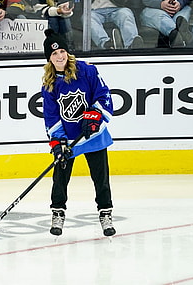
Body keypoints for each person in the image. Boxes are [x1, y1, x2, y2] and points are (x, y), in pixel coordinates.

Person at [41, 29, 116, 237]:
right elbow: (52, 116)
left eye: (62, 51)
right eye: (54, 54)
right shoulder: (49, 84)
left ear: (67, 52)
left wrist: (94, 116)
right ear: (49, 58)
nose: (59, 56)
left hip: (93, 134)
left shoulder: (87, 71)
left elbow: (104, 95)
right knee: (60, 179)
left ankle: (105, 213)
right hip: (70, 138)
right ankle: (58, 213)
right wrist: (58, 142)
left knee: (101, 178)